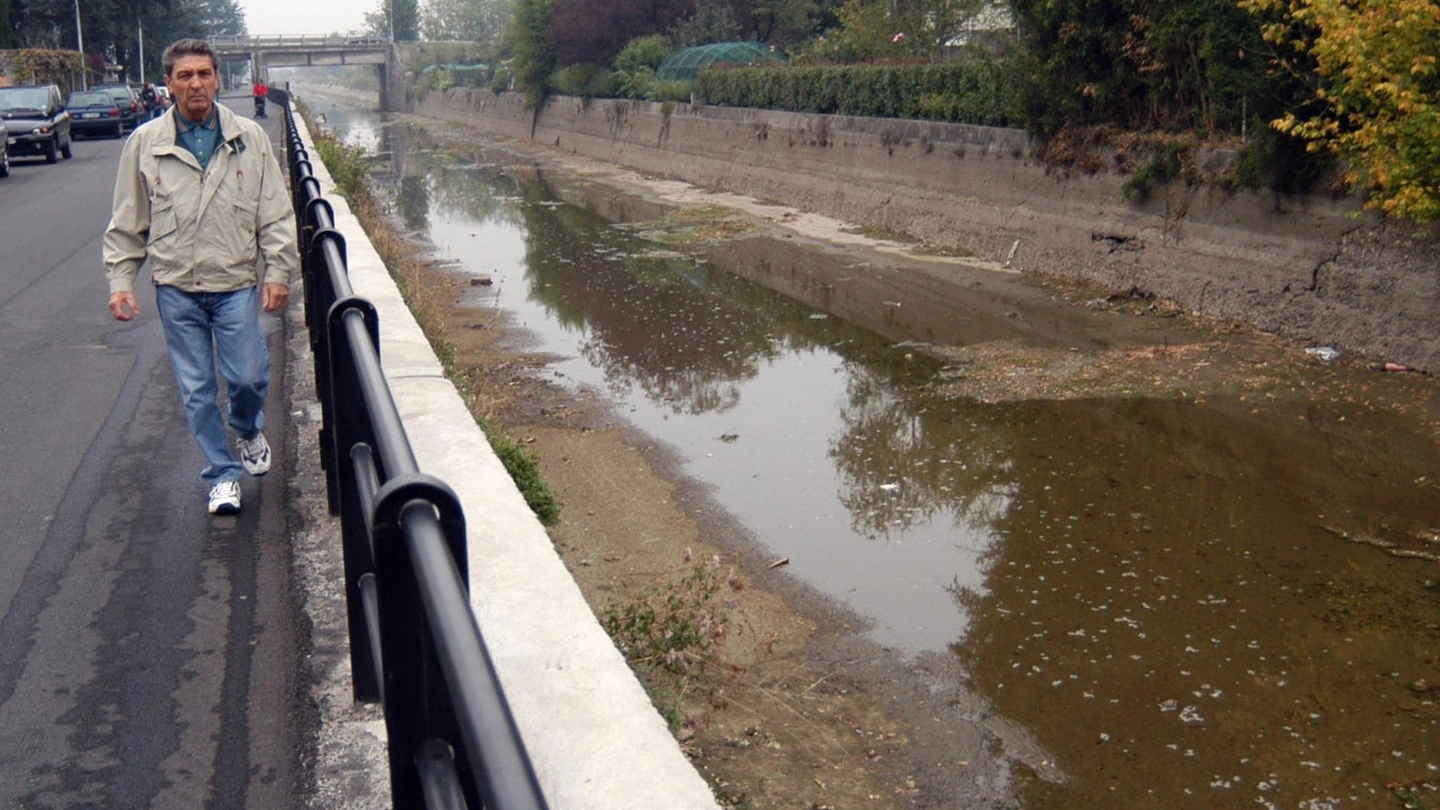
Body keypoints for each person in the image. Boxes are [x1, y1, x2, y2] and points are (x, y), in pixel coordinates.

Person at [103, 38, 298, 515]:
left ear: (216, 77)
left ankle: (248, 430)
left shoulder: (248, 137)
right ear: (167, 84)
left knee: (249, 377)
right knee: (196, 389)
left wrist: (277, 270)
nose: (195, 84)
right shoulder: (145, 144)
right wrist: (121, 281)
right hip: (176, 288)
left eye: (204, 74)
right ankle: (222, 474)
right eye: (184, 76)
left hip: (234, 283)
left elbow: (275, 213)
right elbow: (128, 221)